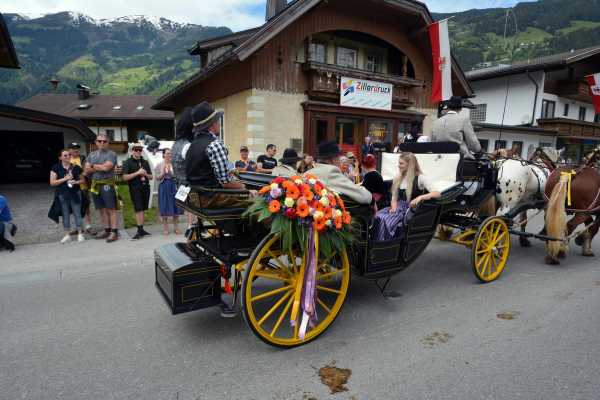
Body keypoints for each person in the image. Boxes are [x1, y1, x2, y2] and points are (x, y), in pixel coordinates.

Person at [185, 101, 248, 208]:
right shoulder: (215, 144)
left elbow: (202, 172)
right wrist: (245, 187)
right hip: (211, 197)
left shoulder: (192, 145)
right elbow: (226, 183)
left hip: (195, 196)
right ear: (212, 124)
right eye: (218, 121)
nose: (219, 124)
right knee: (257, 200)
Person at [373, 152, 441, 241]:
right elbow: (394, 196)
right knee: (377, 216)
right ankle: (379, 243)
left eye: (401, 163)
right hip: (397, 208)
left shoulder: (420, 178)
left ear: (410, 165)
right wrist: (393, 206)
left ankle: (384, 243)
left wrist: (420, 197)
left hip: (409, 210)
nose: (398, 165)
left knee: (386, 220)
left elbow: (437, 193)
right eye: (399, 163)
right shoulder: (398, 177)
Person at [85, 133, 119, 243]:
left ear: (108, 143)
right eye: (99, 141)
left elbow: (107, 167)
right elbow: (86, 170)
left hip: (107, 184)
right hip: (95, 185)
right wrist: (100, 167)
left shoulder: (111, 154)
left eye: (105, 141)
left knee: (111, 209)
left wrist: (93, 166)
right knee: (102, 209)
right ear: (96, 142)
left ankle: (114, 232)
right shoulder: (91, 155)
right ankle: (106, 230)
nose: (102, 143)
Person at [50, 149, 85, 243]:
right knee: (65, 214)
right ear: (60, 157)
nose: (68, 156)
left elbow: (83, 180)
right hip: (62, 194)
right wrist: (64, 179)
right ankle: (67, 235)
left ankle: (80, 233)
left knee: (77, 213)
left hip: (75, 193)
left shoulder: (76, 167)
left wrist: (76, 182)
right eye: (65, 155)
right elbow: (52, 182)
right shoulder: (55, 168)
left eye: (69, 155)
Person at [171, 107, 196, 234]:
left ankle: (190, 226)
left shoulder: (175, 145)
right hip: (191, 187)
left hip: (179, 185)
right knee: (192, 211)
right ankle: (191, 227)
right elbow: (196, 170)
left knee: (188, 210)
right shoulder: (188, 145)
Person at [122, 142, 153, 240]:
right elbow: (124, 177)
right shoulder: (128, 162)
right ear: (132, 151)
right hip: (135, 188)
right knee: (138, 208)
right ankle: (139, 230)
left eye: (140, 150)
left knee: (143, 208)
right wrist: (137, 173)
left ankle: (141, 229)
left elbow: (151, 177)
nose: (138, 152)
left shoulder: (145, 162)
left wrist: (145, 174)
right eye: (136, 150)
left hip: (145, 187)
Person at [155, 148, 183, 235]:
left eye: (170, 153)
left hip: (173, 185)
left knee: (175, 206)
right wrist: (163, 172)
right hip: (164, 186)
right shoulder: (159, 164)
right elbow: (157, 178)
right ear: (163, 155)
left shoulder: (174, 165)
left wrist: (172, 173)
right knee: (164, 205)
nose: (169, 155)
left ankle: (176, 227)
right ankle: (165, 228)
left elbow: (178, 177)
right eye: (167, 153)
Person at [68, 142, 93, 234]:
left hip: (83, 187)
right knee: (75, 208)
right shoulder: (66, 159)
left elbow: (87, 170)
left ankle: (88, 226)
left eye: (77, 148)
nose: (76, 150)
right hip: (72, 188)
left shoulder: (83, 158)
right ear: (69, 149)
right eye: (73, 148)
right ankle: (78, 227)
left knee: (86, 207)